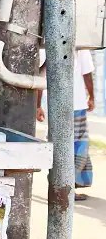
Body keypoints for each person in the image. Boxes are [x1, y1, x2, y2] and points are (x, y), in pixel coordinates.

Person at [37, 49, 96, 200]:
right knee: (76, 147)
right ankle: (66, 190)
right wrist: (91, 96)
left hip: (58, 105)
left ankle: (63, 187)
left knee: (61, 146)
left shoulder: (46, 45)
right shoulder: (81, 44)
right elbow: (87, 73)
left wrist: (38, 105)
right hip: (75, 105)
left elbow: (40, 77)